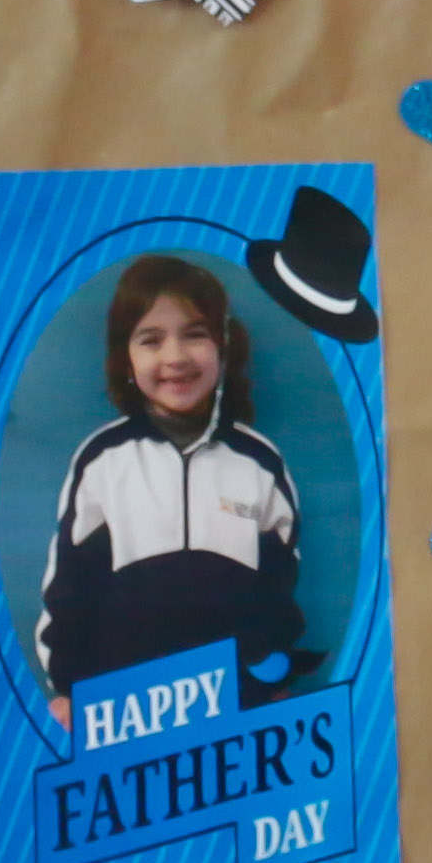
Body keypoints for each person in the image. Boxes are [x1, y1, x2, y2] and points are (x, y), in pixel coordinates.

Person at [37, 253, 305, 707]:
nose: (175, 357)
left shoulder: (259, 464)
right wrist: (66, 689)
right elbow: (69, 588)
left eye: (195, 334)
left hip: (235, 696)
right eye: (151, 340)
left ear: (224, 347)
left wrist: (273, 680)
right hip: (126, 703)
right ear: (125, 358)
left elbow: (279, 588)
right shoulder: (102, 462)